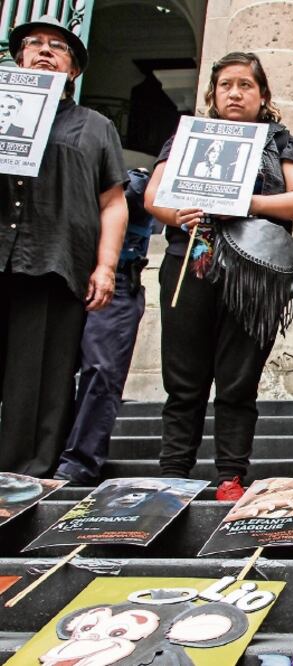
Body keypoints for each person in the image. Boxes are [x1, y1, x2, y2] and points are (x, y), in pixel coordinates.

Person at [145, 52, 293, 501]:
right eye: (226, 85)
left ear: (262, 96)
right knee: (183, 377)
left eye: (245, 85)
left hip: (254, 274)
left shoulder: (280, 139)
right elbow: (153, 195)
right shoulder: (187, 135)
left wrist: (244, 203)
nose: (235, 93)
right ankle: (174, 473)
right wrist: (179, 215)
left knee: (239, 379)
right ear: (212, 93)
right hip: (191, 261)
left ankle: (230, 476)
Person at [0, 16, 127, 478]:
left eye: (59, 47)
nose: (45, 50)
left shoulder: (94, 126)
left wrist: (106, 266)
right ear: (18, 59)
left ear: (73, 70)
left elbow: (113, 202)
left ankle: (22, 477)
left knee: (37, 379)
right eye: (34, 44)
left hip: (54, 262)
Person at [54, 169, 155, 485]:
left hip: (119, 279)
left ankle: (78, 463)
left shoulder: (136, 183)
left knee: (101, 371)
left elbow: (134, 198)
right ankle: (51, 454)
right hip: (63, 274)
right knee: (51, 371)